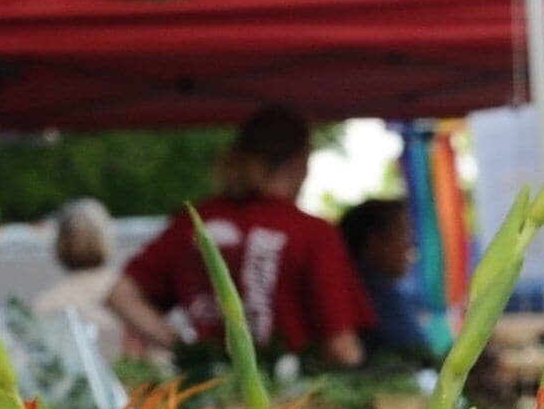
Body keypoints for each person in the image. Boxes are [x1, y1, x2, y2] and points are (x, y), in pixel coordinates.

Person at [110, 104, 369, 369]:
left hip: (211, 386)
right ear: (299, 162)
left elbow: (120, 294)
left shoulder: (194, 222)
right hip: (293, 389)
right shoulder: (312, 233)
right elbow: (342, 347)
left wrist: (189, 352)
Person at [337, 195, 437, 359]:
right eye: (404, 233)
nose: (411, 244)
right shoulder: (373, 292)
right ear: (374, 242)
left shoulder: (366, 286)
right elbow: (418, 352)